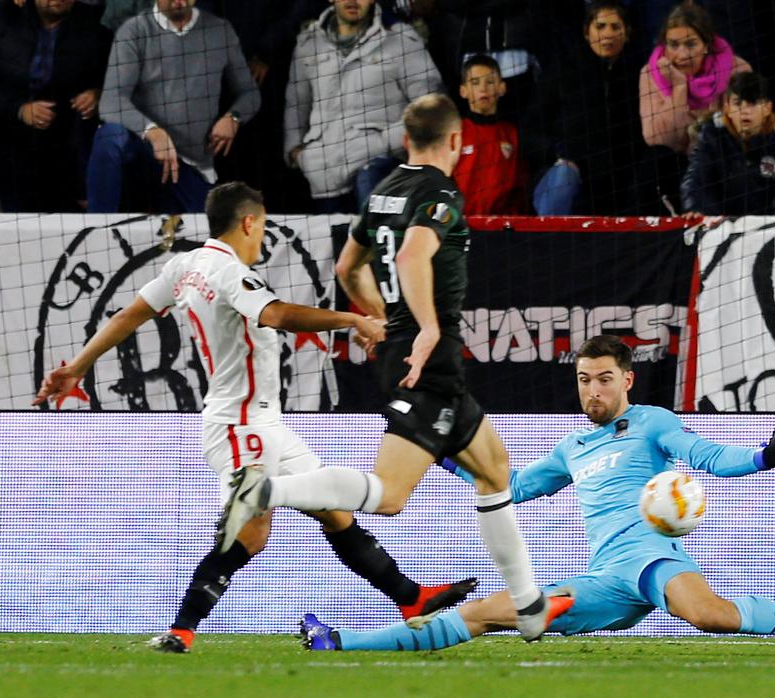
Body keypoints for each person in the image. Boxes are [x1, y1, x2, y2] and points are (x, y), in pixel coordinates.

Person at [33, 182, 476, 653]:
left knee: (334, 510)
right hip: (239, 424)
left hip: (265, 424)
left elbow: (129, 315)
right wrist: (354, 320)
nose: (262, 235)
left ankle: (410, 599)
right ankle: (180, 630)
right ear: (248, 222)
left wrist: (79, 365)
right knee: (253, 529)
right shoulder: (228, 273)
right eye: (261, 225)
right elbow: (279, 314)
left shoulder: (185, 266)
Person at [296, 335, 775, 655]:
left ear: (627, 380)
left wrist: (767, 457)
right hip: (606, 579)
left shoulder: (653, 422)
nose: (593, 390)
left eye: (605, 379)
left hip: (654, 558)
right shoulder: (572, 447)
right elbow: (511, 487)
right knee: (488, 614)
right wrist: (447, 452)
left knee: (711, 616)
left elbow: (708, 459)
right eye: (585, 380)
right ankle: (339, 642)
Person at [217, 94, 569, 642]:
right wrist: (424, 326)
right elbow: (411, 255)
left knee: (494, 468)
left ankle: (528, 608)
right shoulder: (441, 192)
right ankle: (266, 492)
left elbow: (346, 267)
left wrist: (386, 318)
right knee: (389, 495)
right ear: (456, 141)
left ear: (407, 140)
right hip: (428, 357)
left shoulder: (384, 189)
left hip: (405, 352)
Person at [88, 0, 260, 213]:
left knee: (198, 237)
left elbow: (249, 93)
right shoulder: (133, 31)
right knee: (109, 136)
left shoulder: (220, 30)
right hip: (144, 154)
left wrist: (234, 117)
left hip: (192, 165)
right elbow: (111, 103)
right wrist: (152, 131)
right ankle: (97, 227)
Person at [284, 0, 442, 213]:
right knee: (333, 245)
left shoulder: (401, 40)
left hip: (380, 169)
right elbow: (296, 103)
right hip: (324, 175)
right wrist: (298, 152)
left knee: (374, 240)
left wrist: (384, 142)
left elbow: (429, 105)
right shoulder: (308, 44)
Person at [0, 0, 111, 212]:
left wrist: (98, 94)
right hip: (3, 135)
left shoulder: (94, 32)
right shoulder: (0, 19)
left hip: (63, 143)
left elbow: (112, 81)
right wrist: (19, 109)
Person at [528, 0, 646, 216]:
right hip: (569, 176)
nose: (607, 34)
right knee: (564, 175)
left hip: (619, 183)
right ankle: (547, 243)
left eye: (615, 27)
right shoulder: (563, 71)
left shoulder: (639, 75)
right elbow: (531, 129)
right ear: (586, 32)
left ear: (627, 33)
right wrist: (556, 155)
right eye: (600, 26)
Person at [638, 4, 749, 213]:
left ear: (706, 45)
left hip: (722, 164)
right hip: (675, 165)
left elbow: (745, 129)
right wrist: (679, 89)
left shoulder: (737, 69)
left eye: (691, 44)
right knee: (654, 161)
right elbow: (657, 139)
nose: (682, 54)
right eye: (673, 45)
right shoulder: (651, 74)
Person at [682, 71, 775, 216]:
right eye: (738, 104)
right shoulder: (711, 135)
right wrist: (697, 209)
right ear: (727, 107)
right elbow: (696, 179)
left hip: (762, 227)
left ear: (768, 108)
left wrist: (773, 226)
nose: (745, 111)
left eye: (753, 103)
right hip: (717, 224)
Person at [451, 54, 526, 215]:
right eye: (475, 82)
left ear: (502, 88)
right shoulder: (454, 133)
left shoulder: (511, 134)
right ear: (463, 91)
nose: (483, 88)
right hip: (464, 225)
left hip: (503, 227)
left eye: (490, 82)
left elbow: (519, 186)